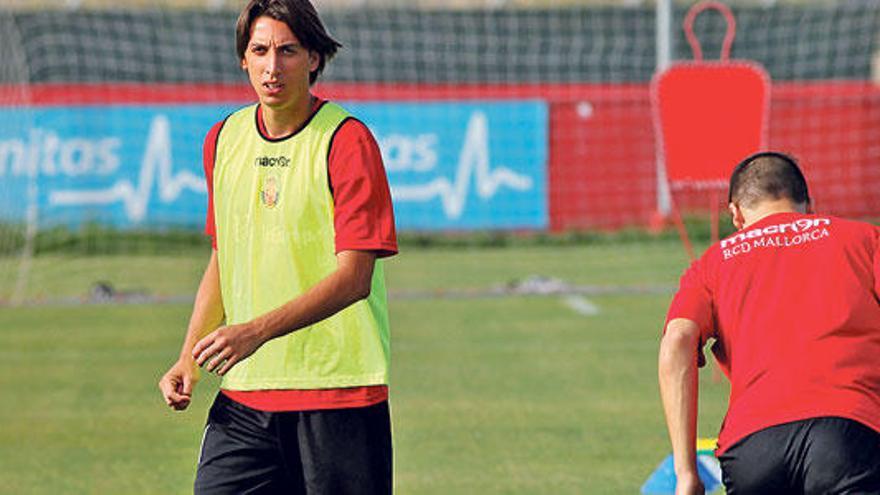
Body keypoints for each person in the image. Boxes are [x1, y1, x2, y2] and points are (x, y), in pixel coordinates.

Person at [157, 0, 397, 493]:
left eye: (288, 50)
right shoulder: (223, 140)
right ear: (243, 59)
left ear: (313, 58)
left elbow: (355, 278)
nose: (273, 66)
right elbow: (226, 259)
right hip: (245, 401)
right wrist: (189, 358)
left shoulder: (347, 141)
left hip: (338, 397)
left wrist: (254, 332)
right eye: (260, 50)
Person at [658, 151, 880, 495]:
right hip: (848, 431)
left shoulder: (713, 264)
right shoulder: (864, 240)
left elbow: (677, 341)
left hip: (753, 447)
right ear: (809, 202)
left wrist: (686, 472)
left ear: (735, 213)